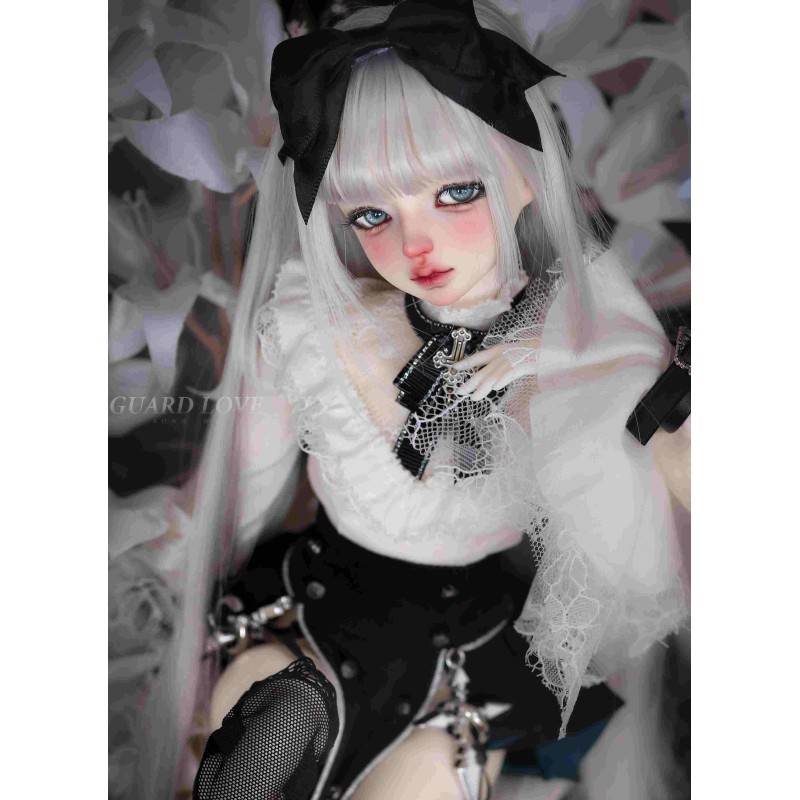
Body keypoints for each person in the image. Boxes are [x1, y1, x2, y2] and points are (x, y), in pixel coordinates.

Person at [138, 2, 690, 799]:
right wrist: (176, 547)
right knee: (262, 733)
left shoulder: (579, 345)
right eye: (372, 214)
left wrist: (634, 392)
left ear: (525, 175)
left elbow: (647, 518)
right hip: (317, 605)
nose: (414, 244)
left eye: (457, 192)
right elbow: (246, 483)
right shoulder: (313, 327)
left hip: (464, 649)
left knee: (427, 774)